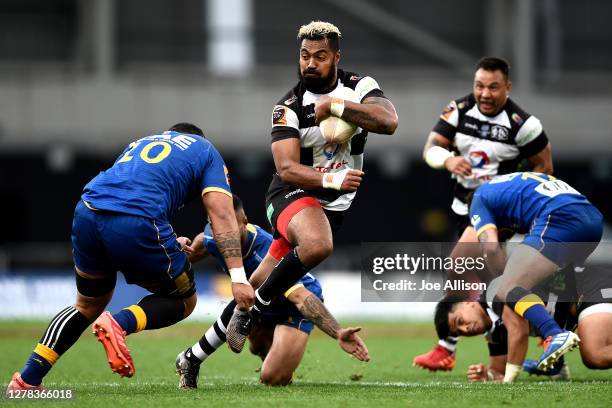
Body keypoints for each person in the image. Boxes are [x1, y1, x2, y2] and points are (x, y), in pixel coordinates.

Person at [6, 123, 254, 391]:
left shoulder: (140, 143)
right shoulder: (205, 150)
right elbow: (222, 213)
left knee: (87, 304)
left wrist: (168, 240)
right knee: (182, 299)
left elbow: (128, 193)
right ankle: (117, 323)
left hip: (88, 211)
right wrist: (238, 277)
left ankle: (27, 379)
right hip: (136, 221)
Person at [225, 20, 398, 351]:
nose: (310, 63)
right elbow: (286, 168)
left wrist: (336, 107)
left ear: (336, 57)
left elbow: (388, 122)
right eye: (305, 55)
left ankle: (194, 356)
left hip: (332, 206)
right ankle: (257, 308)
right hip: (290, 194)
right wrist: (332, 178)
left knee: (259, 280)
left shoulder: (358, 87)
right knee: (318, 245)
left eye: (320, 56)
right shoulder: (287, 107)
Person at [415, 56, 554, 371]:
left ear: (508, 86)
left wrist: (519, 206)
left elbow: (545, 168)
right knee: (498, 289)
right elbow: (431, 148)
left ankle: (447, 347)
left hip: (499, 214)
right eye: (479, 86)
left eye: (493, 87)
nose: (485, 93)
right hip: (464, 209)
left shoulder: (523, 125)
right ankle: (542, 335)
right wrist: (449, 161)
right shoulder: (459, 111)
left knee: (459, 265)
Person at [174, 195, 369, 388]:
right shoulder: (212, 236)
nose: (225, 233)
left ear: (244, 221)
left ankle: (194, 358)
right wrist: (178, 253)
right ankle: (194, 359)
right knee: (256, 339)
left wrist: (338, 332)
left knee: (273, 378)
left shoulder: (263, 253)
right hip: (261, 303)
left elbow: (300, 298)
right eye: (217, 226)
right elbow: (198, 244)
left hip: (293, 306)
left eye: (231, 226)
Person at [470, 172, 603, 371]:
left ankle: (555, 335)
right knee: (555, 288)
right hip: (592, 221)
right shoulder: (511, 185)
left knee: (508, 287)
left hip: (560, 218)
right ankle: (557, 361)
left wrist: (499, 281)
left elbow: (490, 246)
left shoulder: (478, 198)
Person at [435, 275, 573, 383]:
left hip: (576, 295)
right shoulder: (492, 332)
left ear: (467, 303)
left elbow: (519, 331)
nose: (465, 329)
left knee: (593, 357)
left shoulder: (492, 293)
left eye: (460, 321)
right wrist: (487, 375)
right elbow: (498, 371)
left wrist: (509, 379)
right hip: (567, 318)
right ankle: (557, 364)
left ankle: (556, 348)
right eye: (459, 332)